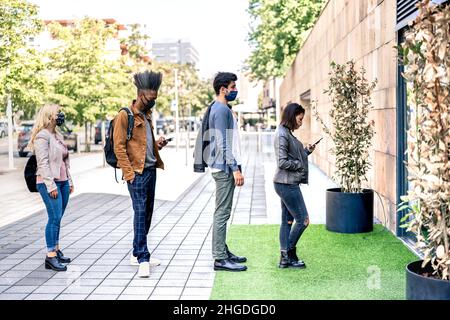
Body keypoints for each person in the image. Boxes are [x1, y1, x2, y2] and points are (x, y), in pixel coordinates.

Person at [113, 70, 168, 278]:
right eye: (150, 98)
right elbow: (119, 147)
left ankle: (137, 252)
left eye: (155, 98)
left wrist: (157, 145)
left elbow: (143, 145)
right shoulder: (124, 115)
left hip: (151, 170)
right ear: (139, 94)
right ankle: (143, 258)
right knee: (140, 213)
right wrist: (129, 174)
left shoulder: (147, 116)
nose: (153, 102)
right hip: (136, 173)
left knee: (148, 212)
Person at [194, 72, 247, 272]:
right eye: (233, 87)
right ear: (223, 89)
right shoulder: (221, 110)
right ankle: (219, 258)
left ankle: (223, 251)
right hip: (224, 169)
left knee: (222, 212)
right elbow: (223, 142)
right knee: (222, 213)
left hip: (223, 167)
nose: (235, 90)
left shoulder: (221, 108)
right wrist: (235, 169)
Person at [28, 104, 74, 272]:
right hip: (49, 183)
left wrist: (69, 180)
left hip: (62, 182)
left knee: (58, 217)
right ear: (49, 116)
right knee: (54, 218)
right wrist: (50, 185)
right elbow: (43, 163)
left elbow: (64, 161)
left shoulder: (57, 135)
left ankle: (56, 248)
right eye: (58, 112)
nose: (60, 115)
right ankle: (50, 256)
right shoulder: (42, 136)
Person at [273, 103, 315, 269]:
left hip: (285, 183)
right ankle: (288, 253)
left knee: (287, 221)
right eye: (300, 118)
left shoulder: (286, 133)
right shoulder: (282, 134)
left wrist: (306, 151)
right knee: (303, 220)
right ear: (292, 116)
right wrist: (299, 164)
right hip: (286, 184)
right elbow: (282, 162)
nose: (301, 122)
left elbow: (293, 156)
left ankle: (285, 258)